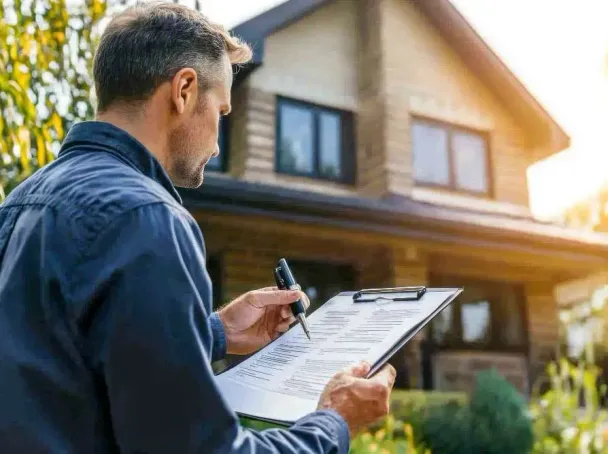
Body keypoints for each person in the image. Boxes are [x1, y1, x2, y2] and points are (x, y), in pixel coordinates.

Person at [0, 2, 396, 453]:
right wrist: (334, 422)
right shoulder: (148, 219)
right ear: (184, 90)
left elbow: (60, 363)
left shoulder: (20, 202)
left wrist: (215, 332)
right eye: (222, 113)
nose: (217, 139)